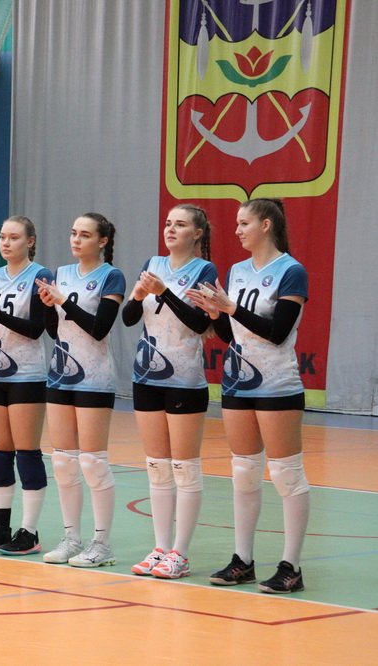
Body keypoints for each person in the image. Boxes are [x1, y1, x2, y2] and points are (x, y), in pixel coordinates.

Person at [187, 198, 310, 594]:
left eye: (244, 223)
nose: (237, 230)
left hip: (277, 384)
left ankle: (291, 567)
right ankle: (243, 560)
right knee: (243, 471)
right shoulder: (237, 271)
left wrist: (231, 307)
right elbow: (230, 335)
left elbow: (277, 333)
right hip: (238, 383)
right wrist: (215, 313)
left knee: (286, 474)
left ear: (266, 224)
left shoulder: (291, 271)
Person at [122, 205, 215, 579]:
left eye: (180, 225)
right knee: (157, 466)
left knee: (184, 467)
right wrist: (137, 295)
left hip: (184, 380)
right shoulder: (152, 264)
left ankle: (181, 553)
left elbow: (200, 324)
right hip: (146, 377)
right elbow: (129, 318)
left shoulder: (204, 271)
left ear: (197, 234)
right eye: (167, 223)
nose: (170, 229)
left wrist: (165, 292)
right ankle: (160, 548)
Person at [37, 212, 125, 567]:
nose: (76, 239)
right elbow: (54, 330)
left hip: (95, 377)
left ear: (102, 241)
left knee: (92, 462)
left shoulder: (111, 276)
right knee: (63, 461)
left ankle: (102, 543)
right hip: (61, 375)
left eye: (85, 235)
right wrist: (48, 306)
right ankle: (71, 538)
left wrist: (63, 301)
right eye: (74, 233)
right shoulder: (60, 274)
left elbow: (99, 328)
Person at [0, 216, 53, 555]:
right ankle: (0, 528)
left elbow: (35, 329)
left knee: (27, 452)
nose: (5, 243)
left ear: (30, 241)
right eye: (3, 237)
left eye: (14, 238)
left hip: (27, 374)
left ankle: (29, 531)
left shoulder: (40, 276)